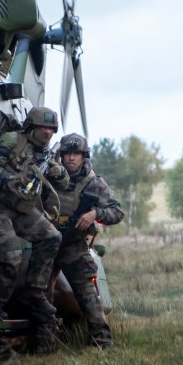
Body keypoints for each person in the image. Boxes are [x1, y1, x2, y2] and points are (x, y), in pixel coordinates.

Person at [0, 105, 70, 354]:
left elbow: (63, 182)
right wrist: (9, 181)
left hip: (23, 209)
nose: (48, 132)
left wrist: (57, 170)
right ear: (32, 126)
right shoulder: (13, 140)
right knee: (11, 257)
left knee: (52, 237)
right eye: (44, 127)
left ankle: (35, 290)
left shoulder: (46, 154)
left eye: (52, 129)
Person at [49, 133, 124, 348]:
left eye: (77, 154)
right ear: (61, 156)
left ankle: (101, 341)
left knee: (88, 294)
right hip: (47, 242)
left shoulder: (93, 183)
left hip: (74, 244)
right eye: (67, 154)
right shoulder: (48, 176)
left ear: (84, 156)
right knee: (38, 293)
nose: (71, 158)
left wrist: (95, 214)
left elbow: (117, 212)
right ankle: (43, 342)